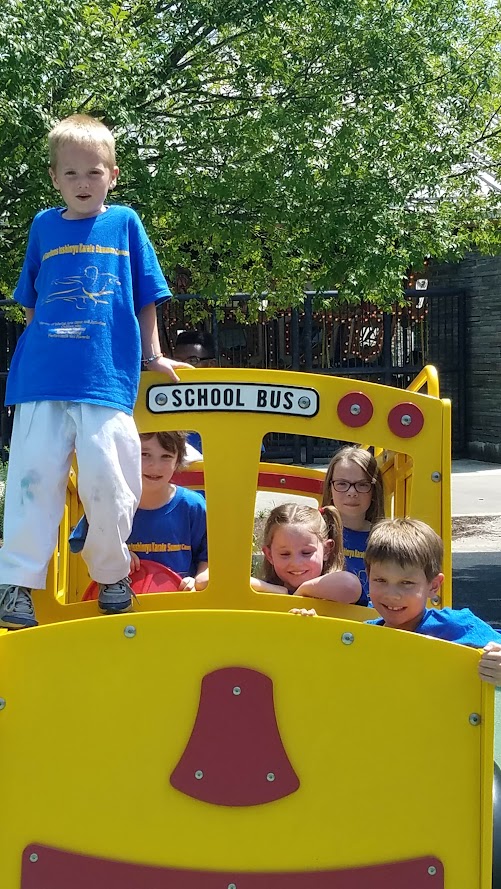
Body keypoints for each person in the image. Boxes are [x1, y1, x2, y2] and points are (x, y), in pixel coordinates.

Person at [0, 114, 191, 629]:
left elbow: (146, 295)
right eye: (71, 174)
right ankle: (15, 582)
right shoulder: (43, 226)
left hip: (105, 378)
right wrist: (42, 353)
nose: (82, 183)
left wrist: (153, 356)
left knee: (112, 481)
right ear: (54, 178)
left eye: (94, 172)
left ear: (113, 174)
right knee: (32, 480)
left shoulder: (124, 223)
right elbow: (32, 302)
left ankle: (110, 570)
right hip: (42, 380)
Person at [364, 518, 501, 685]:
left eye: (406, 583)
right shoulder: (362, 634)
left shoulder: (456, 626)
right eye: (380, 580)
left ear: (433, 586)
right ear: (368, 577)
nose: (392, 595)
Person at [128, 431, 208, 590]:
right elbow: (86, 545)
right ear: (129, 453)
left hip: (176, 607)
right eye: (144, 454)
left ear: (178, 460)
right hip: (123, 607)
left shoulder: (194, 506)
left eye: (166, 456)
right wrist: (114, 553)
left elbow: (209, 559)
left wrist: (197, 582)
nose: (155, 466)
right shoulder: (112, 503)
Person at [251, 502, 363, 603]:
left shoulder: (337, 590)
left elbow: (350, 585)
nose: (296, 563)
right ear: (270, 555)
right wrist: (278, 591)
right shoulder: (264, 590)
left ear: (326, 550)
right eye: (285, 554)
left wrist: (303, 591)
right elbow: (235, 584)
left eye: (306, 553)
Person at [321, 445, 384, 606]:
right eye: (342, 484)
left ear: (374, 490)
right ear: (330, 487)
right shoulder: (314, 533)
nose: (352, 492)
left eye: (362, 484)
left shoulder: (386, 538)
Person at [172, 330, 217, 458]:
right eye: (177, 360)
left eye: (193, 360)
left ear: (211, 365)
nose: (183, 367)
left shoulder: (228, 403)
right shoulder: (164, 402)